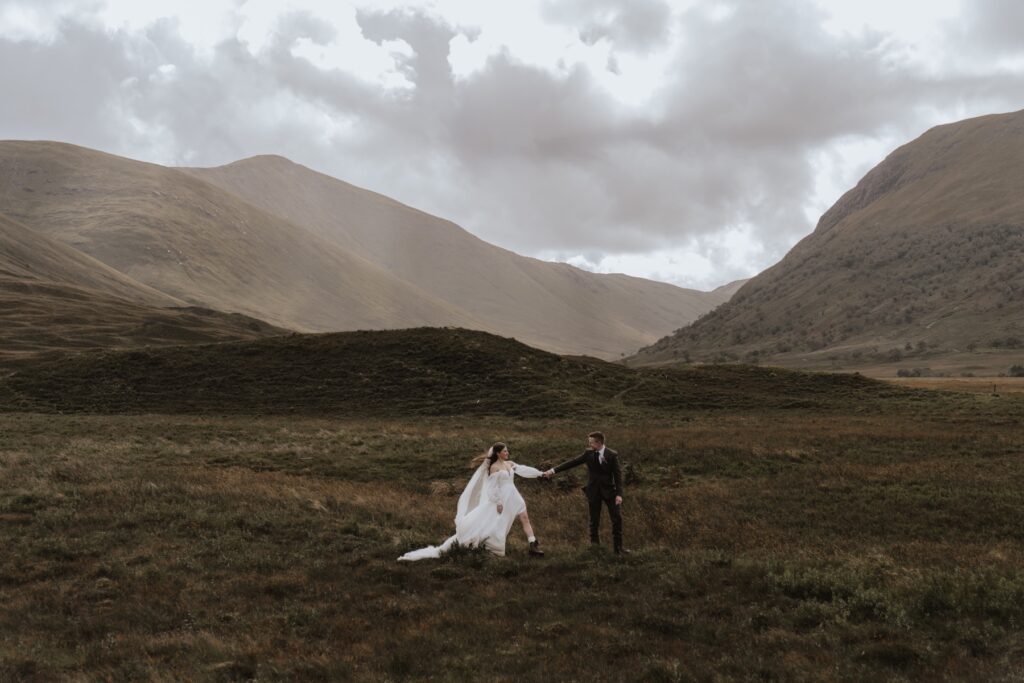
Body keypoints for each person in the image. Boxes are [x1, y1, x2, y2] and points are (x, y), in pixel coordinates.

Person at [398, 442, 545, 561]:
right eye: (505, 451)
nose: (507, 453)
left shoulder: (510, 464)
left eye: (507, 451)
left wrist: (540, 473)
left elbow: (524, 470)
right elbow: (491, 488)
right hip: (502, 498)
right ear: (498, 453)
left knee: (524, 517)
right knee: (497, 523)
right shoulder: (494, 467)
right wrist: (498, 502)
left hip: (513, 495)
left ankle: (533, 544)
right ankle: (490, 545)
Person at [544, 431, 628, 554]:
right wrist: (552, 470)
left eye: (591, 442)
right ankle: (595, 548)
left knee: (617, 519)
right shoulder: (588, 453)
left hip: (610, 492)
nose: (589, 444)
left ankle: (618, 549)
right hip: (593, 491)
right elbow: (572, 462)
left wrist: (619, 494)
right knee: (594, 521)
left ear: (599, 443)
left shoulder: (612, 455)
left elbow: (618, 476)